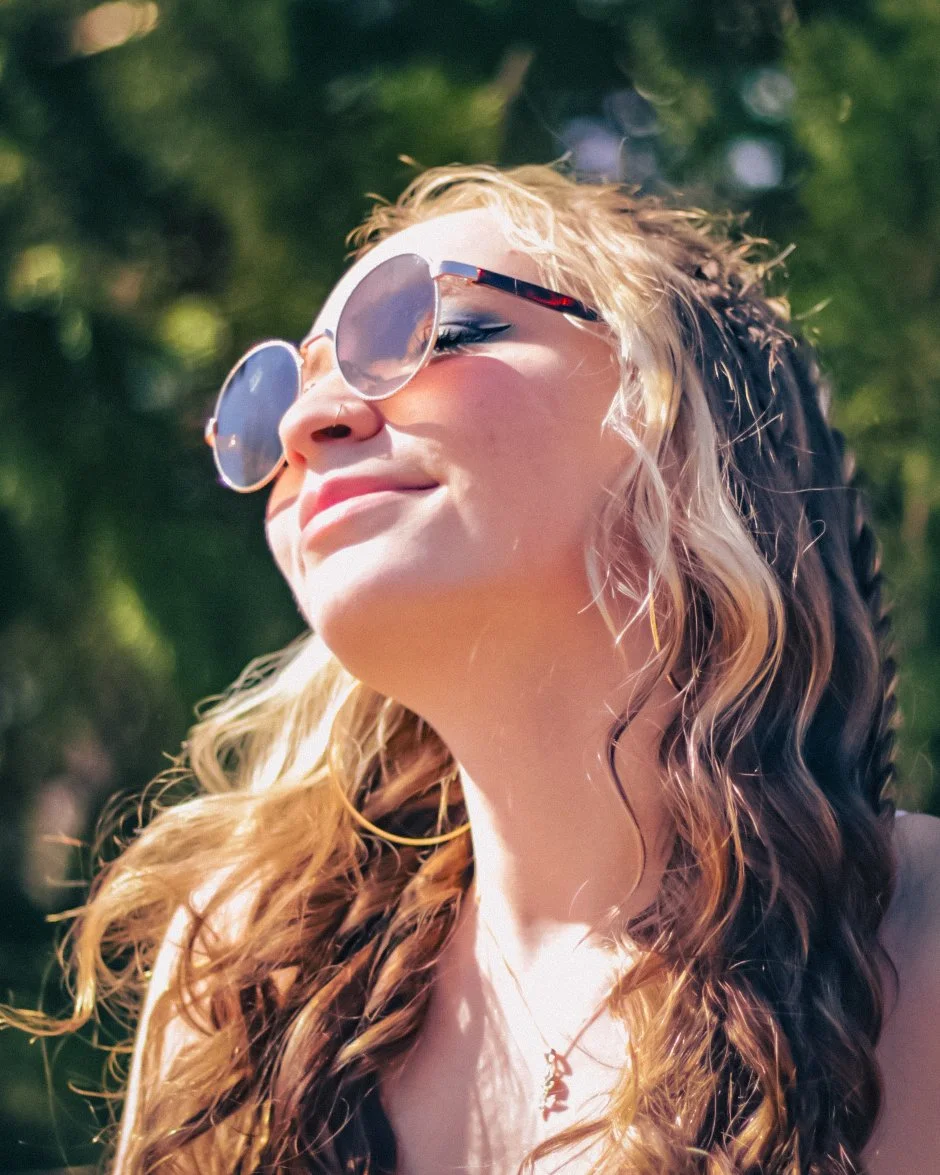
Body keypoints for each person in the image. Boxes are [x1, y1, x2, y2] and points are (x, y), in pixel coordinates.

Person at [10, 161, 940, 1174]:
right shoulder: (248, 993)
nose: (302, 427)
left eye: (429, 332)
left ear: (669, 415)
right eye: (277, 395)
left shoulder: (920, 945)